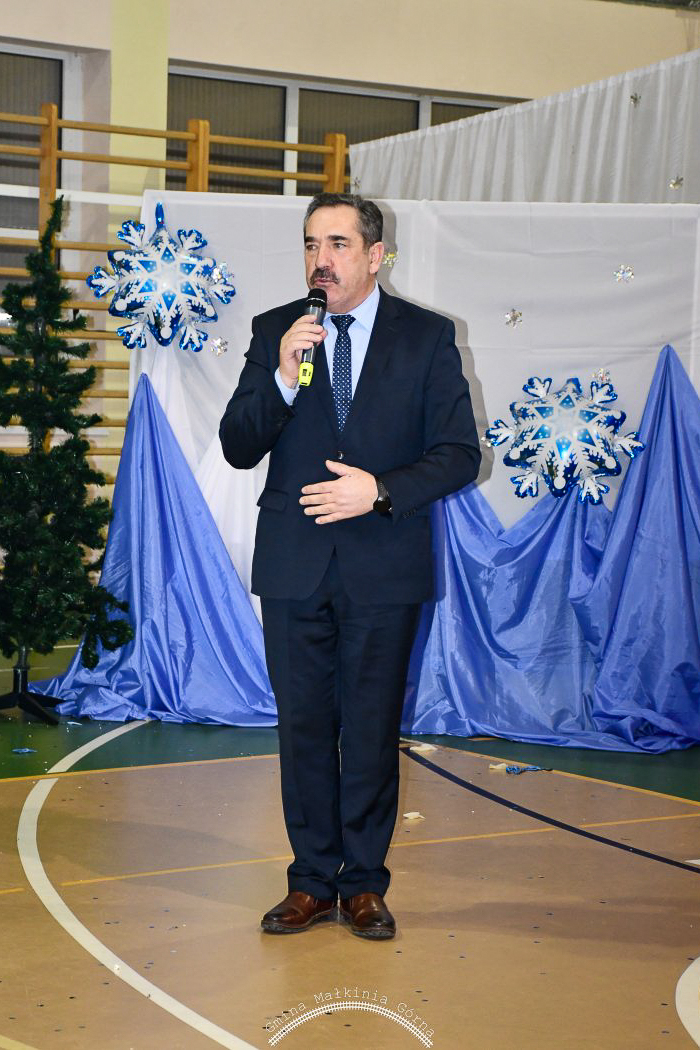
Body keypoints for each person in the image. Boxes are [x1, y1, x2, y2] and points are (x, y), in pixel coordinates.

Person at [219, 192, 480, 939]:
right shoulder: (277, 330)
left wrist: (380, 490)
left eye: (337, 244)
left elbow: (459, 454)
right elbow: (238, 445)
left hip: (383, 565)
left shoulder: (426, 336)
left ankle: (364, 883)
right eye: (311, 244)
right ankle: (310, 882)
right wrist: (280, 377)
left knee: (369, 730)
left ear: (375, 255)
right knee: (302, 730)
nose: (320, 260)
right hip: (294, 564)